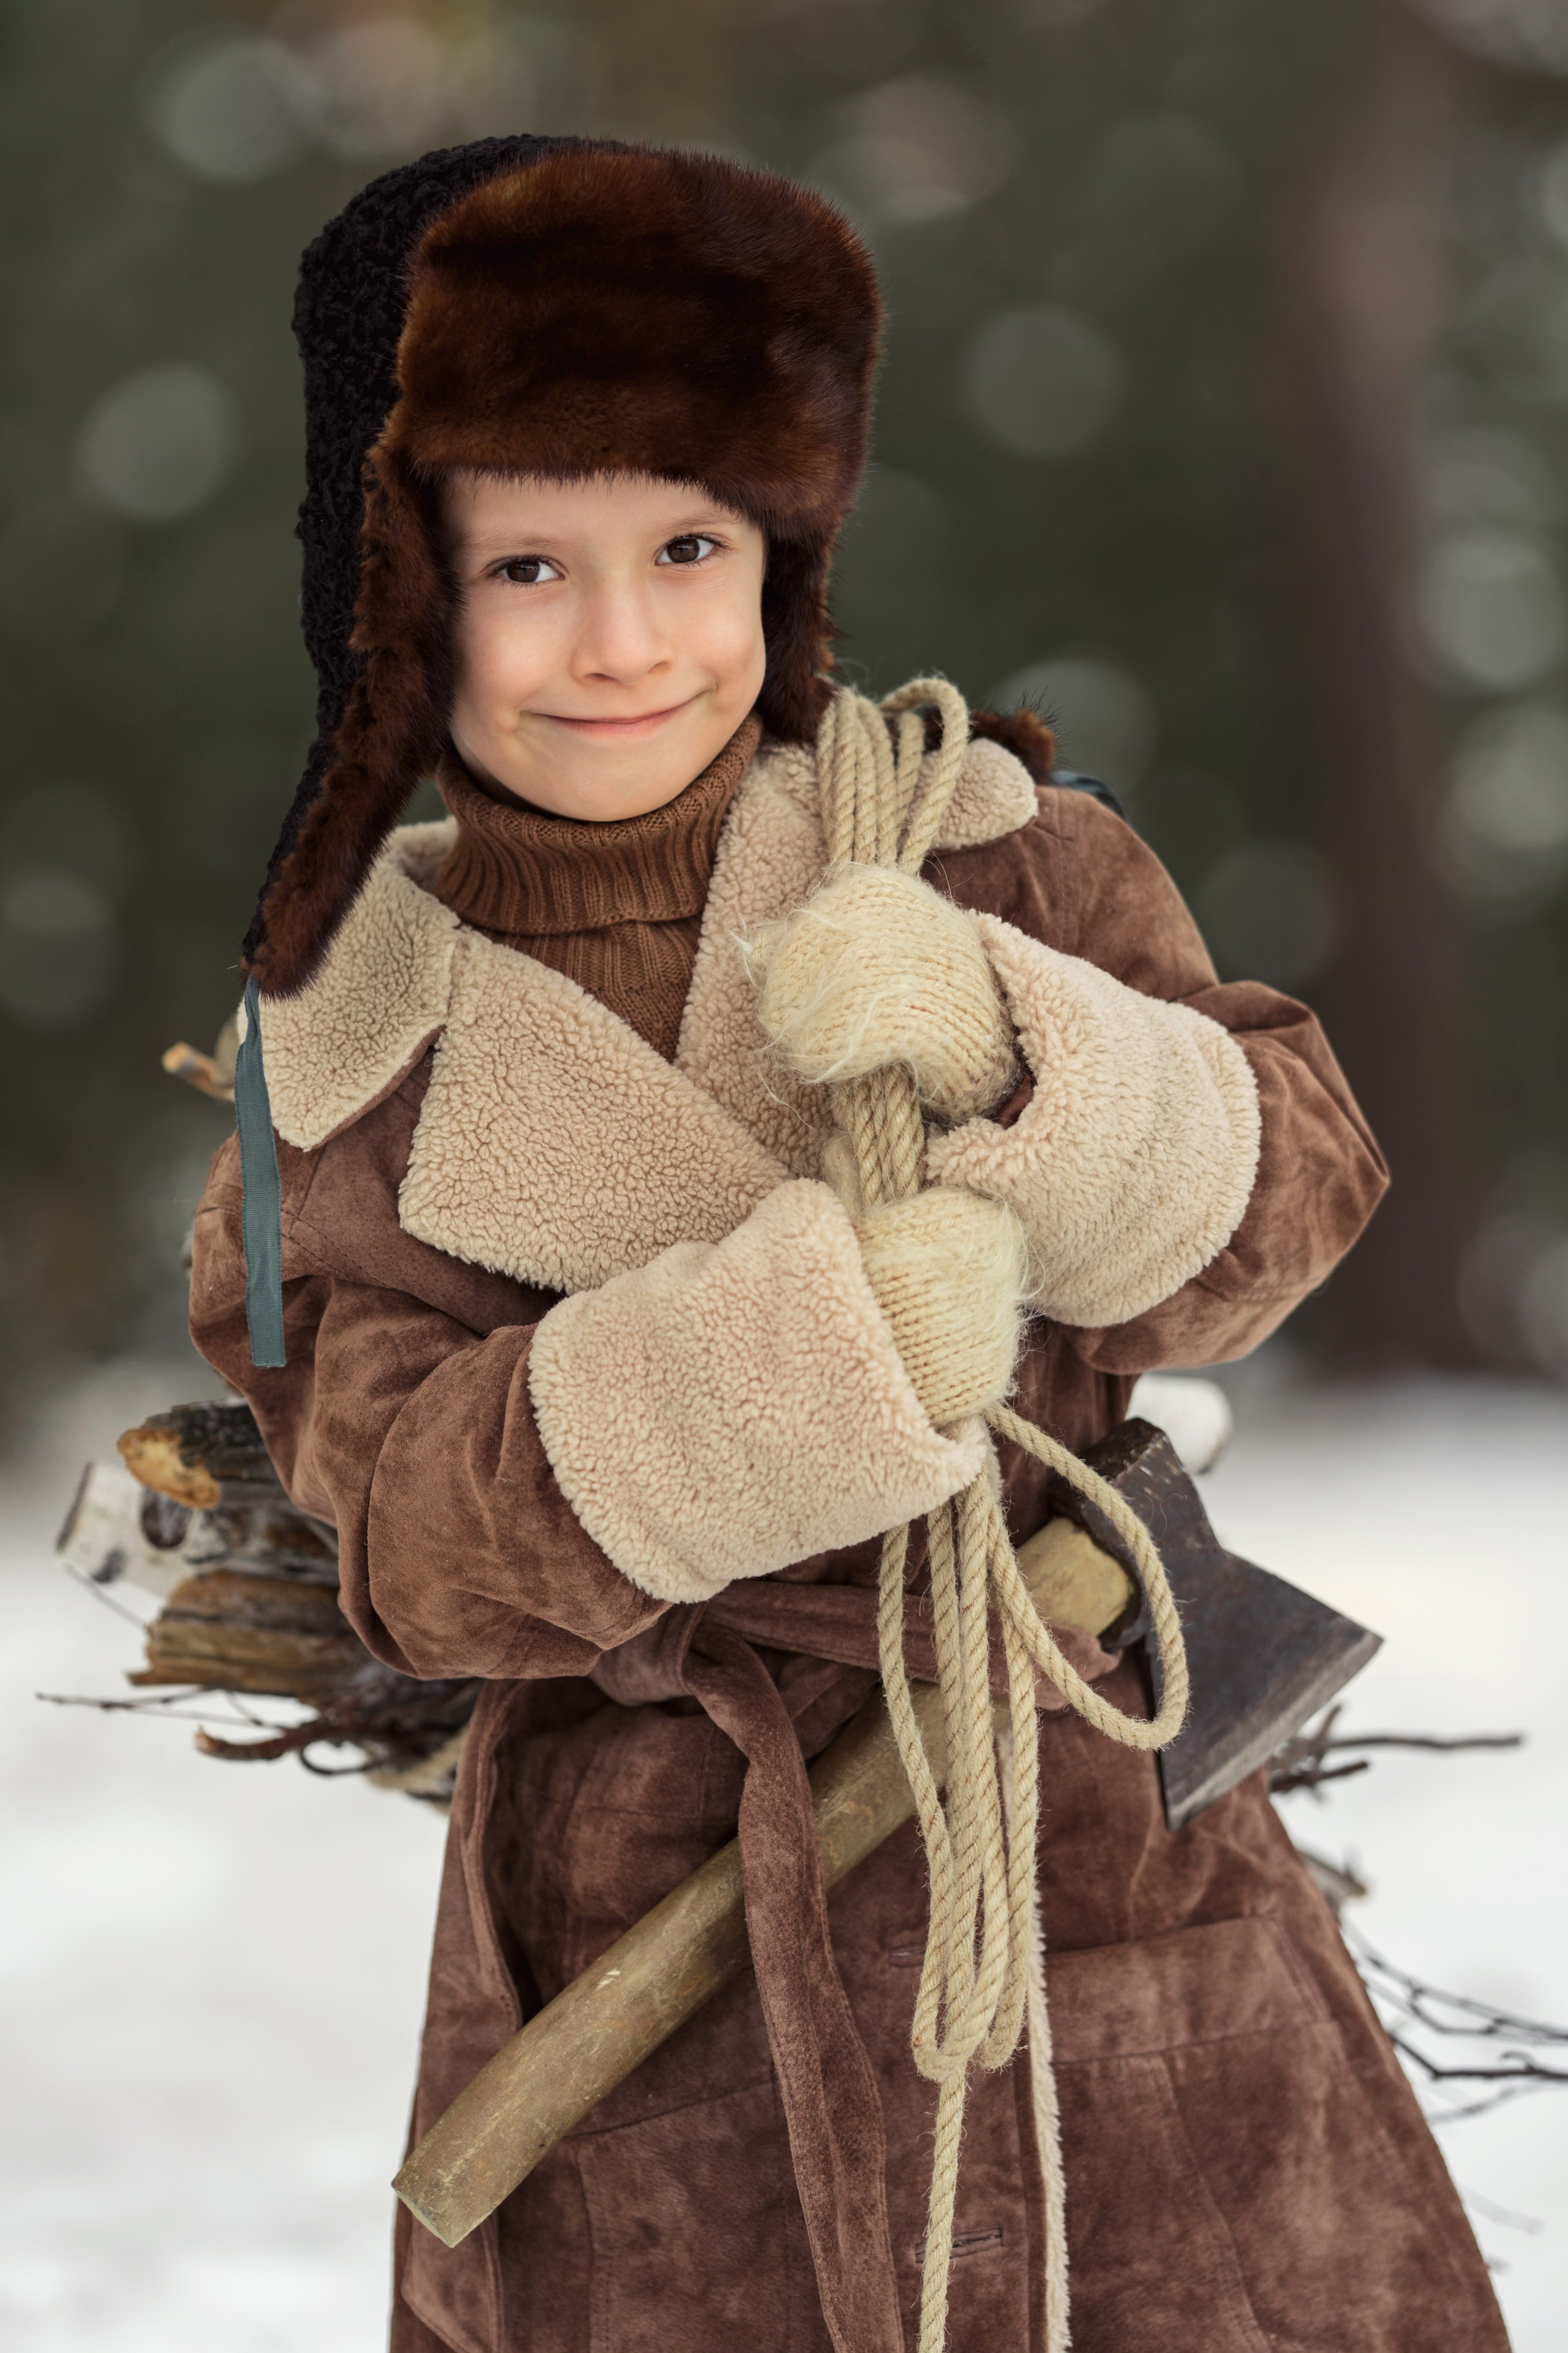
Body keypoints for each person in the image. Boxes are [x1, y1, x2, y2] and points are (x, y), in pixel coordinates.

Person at [188, 137, 1507, 2353]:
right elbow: (412, 1534)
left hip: (1075, 1840)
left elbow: (1295, 1190)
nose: (624, 642)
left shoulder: (990, 853)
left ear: (783, 552)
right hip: (647, 1934)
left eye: (688, 547)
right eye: (530, 565)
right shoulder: (336, 1059)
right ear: (398, 594)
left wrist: (1018, 1054)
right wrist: (802, 1365)